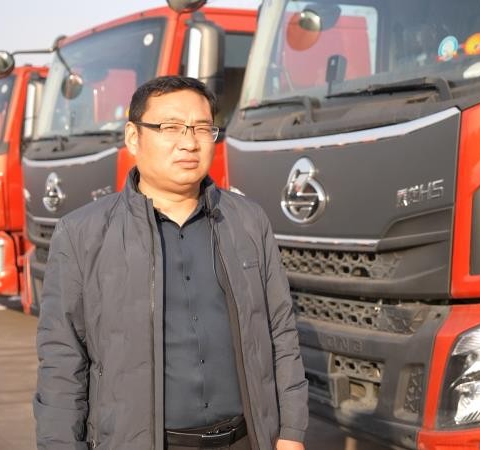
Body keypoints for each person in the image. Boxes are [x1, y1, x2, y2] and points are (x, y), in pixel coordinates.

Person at [34, 75, 308, 450]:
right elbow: (62, 360)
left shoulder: (248, 221)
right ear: (133, 136)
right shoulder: (82, 234)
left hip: (247, 439)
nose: (189, 142)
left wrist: (291, 431)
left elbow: (281, 332)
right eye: (171, 127)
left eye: (202, 128)